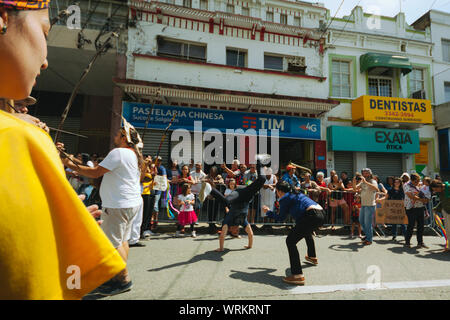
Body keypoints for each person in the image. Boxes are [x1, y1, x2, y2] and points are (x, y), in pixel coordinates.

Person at [0, 0, 126, 299]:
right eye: (44, 32)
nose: (45, 61)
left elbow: (93, 171)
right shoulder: (20, 139)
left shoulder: (25, 137)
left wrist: (66, 169)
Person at [63, 124, 144, 295]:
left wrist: (72, 165)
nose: (114, 136)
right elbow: (98, 169)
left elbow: (95, 172)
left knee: (112, 245)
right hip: (130, 203)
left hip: (117, 205)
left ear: (124, 138)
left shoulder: (118, 153)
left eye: (118, 134)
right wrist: (72, 162)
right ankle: (117, 276)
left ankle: (122, 279)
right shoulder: (134, 154)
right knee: (122, 241)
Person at [262, 181, 325, 286]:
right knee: (305, 231)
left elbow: (281, 217)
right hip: (321, 214)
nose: (277, 194)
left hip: (311, 215)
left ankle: (297, 275)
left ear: (280, 191)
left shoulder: (285, 198)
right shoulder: (296, 193)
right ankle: (312, 256)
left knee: (290, 241)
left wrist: (268, 212)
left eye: (277, 191)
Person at [199, 174, 266, 252]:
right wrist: (249, 245)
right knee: (262, 179)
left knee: (226, 201)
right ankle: (259, 163)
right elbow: (250, 234)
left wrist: (221, 248)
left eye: (235, 231)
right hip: (246, 195)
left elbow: (222, 236)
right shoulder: (243, 221)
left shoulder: (228, 221)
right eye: (238, 231)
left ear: (230, 230)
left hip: (237, 194)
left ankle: (210, 189)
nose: (237, 230)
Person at [353, 169, 379, 246]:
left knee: (367, 223)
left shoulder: (372, 181)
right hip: (363, 204)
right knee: (361, 221)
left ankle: (369, 239)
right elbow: (355, 189)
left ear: (370, 174)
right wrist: (354, 182)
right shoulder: (362, 182)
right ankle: (368, 235)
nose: (365, 174)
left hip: (370, 205)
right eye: (364, 173)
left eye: (367, 173)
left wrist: (366, 182)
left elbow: (376, 189)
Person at [403, 173, 429, 249]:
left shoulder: (420, 185)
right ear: (411, 180)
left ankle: (420, 242)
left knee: (421, 225)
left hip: (420, 206)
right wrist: (422, 199)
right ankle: (407, 242)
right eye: (416, 181)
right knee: (411, 225)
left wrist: (425, 198)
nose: (417, 183)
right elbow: (410, 195)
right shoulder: (406, 185)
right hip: (411, 207)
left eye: (418, 181)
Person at [430, 179, 450, 252]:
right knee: (448, 230)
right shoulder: (440, 192)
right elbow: (442, 201)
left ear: (439, 185)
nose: (435, 191)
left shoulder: (448, 188)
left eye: (436, 189)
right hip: (446, 211)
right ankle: (449, 247)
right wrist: (436, 208)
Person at [204, 166, 224, 234]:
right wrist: (209, 181)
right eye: (211, 171)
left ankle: (213, 224)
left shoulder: (218, 176)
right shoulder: (207, 176)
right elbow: (203, 180)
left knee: (215, 211)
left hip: (216, 197)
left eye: (213, 171)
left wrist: (212, 181)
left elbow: (221, 181)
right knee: (210, 212)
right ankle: (211, 225)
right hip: (210, 196)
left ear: (216, 171)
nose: (212, 172)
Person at [151, 156, 167, 232]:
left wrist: (155, 175)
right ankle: (150, 220)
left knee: (155, 205)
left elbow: (163, 177)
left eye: (160, 161)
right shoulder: (151, 166)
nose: (159, 162)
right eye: (157, 160)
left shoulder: (162, 168)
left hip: (157, 189)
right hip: (149, 188)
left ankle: (155, 221)